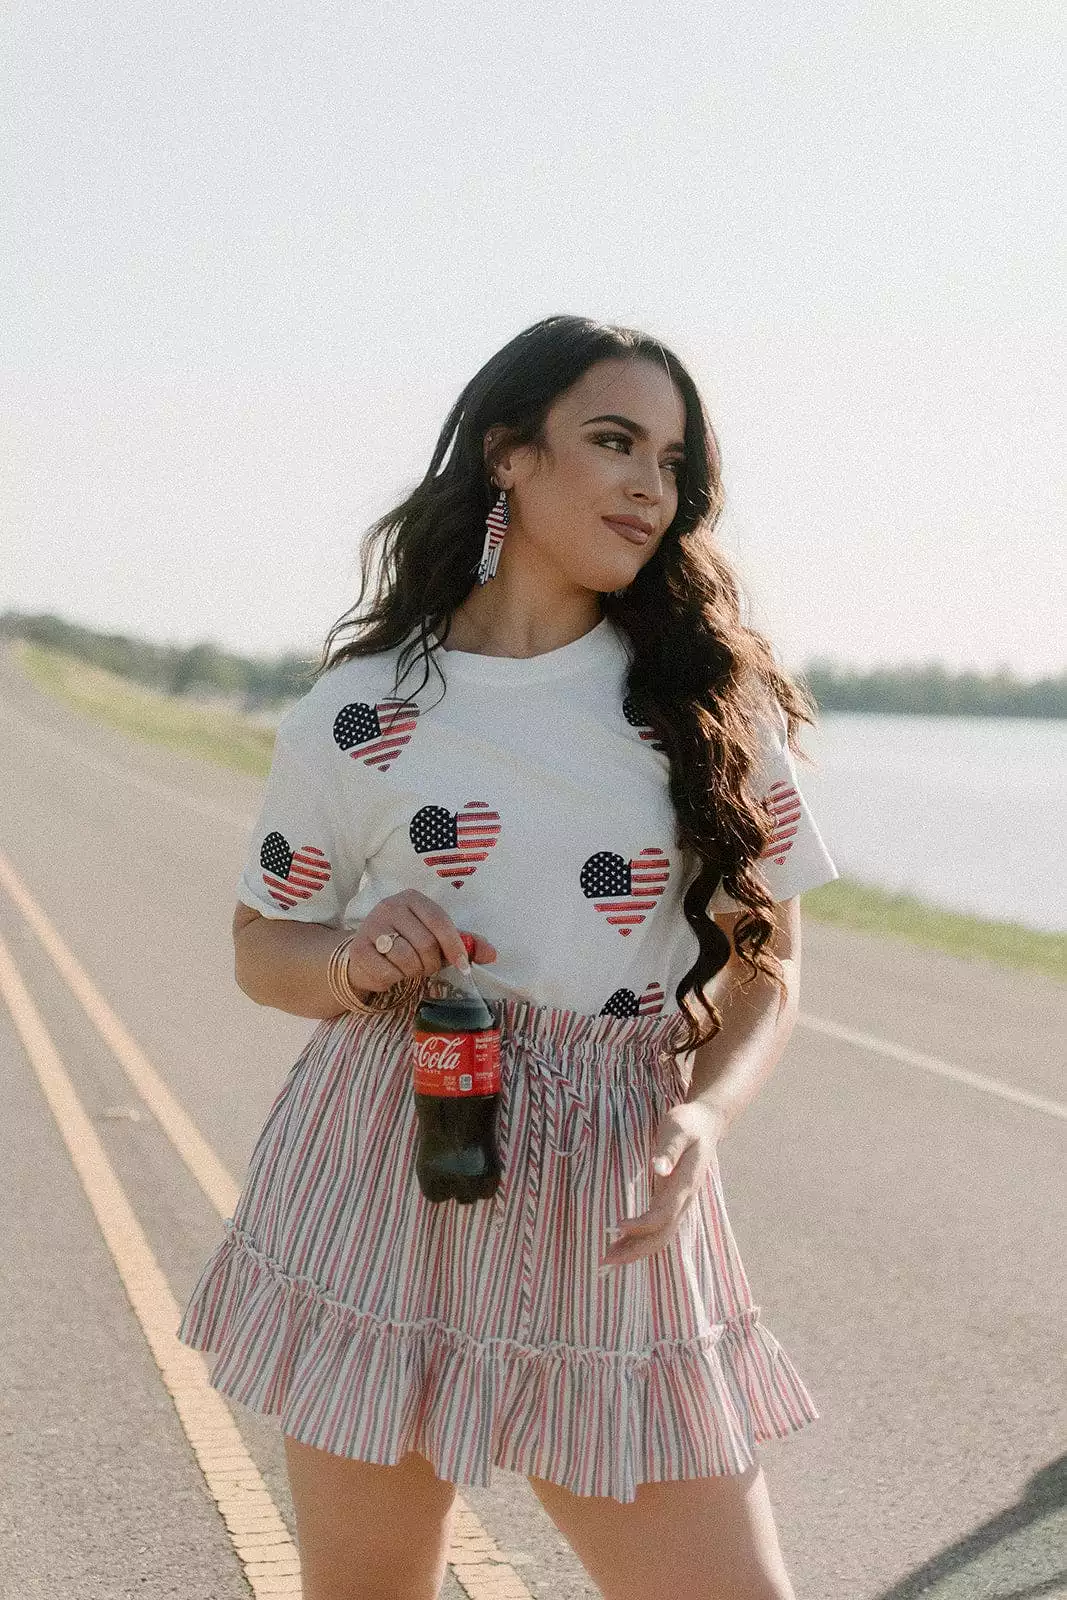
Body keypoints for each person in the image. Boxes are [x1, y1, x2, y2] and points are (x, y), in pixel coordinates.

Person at [177, 313, 839, 1600]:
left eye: (672, 462)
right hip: (392, 1154)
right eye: (612, 441)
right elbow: (263, 948)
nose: (651, 485)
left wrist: (703, 1118)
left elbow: (770, 967)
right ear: (507, 454)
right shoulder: (360, 711)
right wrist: (359, 958)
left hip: (613, 1186)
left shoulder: (704, 704)